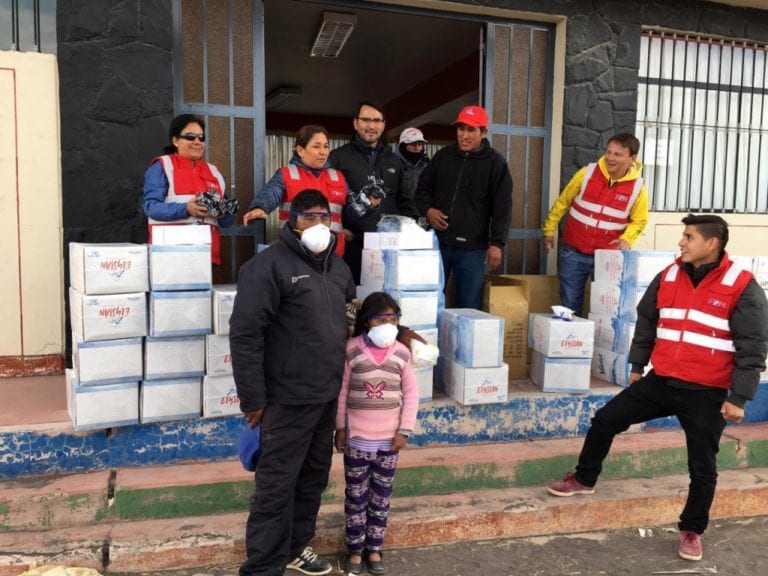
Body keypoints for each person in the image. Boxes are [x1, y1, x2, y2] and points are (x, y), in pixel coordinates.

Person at [547, 214, 768, 563]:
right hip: (662, 381)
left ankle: (692, 530)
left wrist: (739, 397)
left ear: (712, 244)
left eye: (689, 236)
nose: (681, 242)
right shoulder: (668, 274)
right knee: (605, 420)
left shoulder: (741, 285)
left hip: (706, 392)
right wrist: (638, 365)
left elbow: (753, 345)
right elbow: (647, 318)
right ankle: (584, 478)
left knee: (702, 466)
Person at [230, 189, 355, 576]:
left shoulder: (338, 269)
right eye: (308, 217)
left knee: (312, 480)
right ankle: (264, 567)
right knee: (276, 486)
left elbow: (350, 321)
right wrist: (253, 398)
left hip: (325, 396)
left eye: (324, 217)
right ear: (290, 219)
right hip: (285, 400)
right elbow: (246, 334)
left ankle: (296, 547)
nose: (318, 225)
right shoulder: (267, 267)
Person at [335, 292, 419, 576]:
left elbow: (412, 393)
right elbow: (342, 392)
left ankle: (375, 548)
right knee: (356, 497)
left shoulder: (402, 353)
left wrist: (404, 431)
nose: (387, 324)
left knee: (381, 497)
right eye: (380, 319)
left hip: (388, 443)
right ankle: (356, 550)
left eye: (393, 319)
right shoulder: (352, 350)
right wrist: (341, 429)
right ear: (366, 321)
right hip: (357, 440)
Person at [414, 105, 513, 310]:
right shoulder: (443, 157)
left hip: (473, 249)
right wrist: (428, 211)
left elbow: (503, 206)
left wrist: (497, 243)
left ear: (483, 132)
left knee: (468, 306)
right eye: (461, 129)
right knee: (428, 300)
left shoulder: (496, 164)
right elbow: (421, 191)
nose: (464, 135)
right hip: (439, 243)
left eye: (471, 130)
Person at [541, 133, 649, 316]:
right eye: (609, 152)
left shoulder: (638, 189)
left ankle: (597, 345)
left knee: (605, 311)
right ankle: (572, 342)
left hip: (607, 258)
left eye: (618, 154)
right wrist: (549, 230)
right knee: (569, 307)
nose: (610, 158)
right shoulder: (587, 173)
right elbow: (562, 202)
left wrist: (627, 238)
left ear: (632, 159)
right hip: (574, 252)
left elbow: (639, 221)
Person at [329, 101, 420, 284]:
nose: (371, 126)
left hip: (389, 248)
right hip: (353, 246)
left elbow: (406, 202)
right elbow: (328, 198)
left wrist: (409, 233)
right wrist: (337, 229)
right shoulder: (338, 158)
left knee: (386, 304)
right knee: (353, 304)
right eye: (366, 120)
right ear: (356, 123)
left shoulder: (394, 161)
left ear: (384, 125)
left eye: (377, 120)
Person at [241, 125, 349, 255]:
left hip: (332, 254)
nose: (323, 152)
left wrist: (369, 205)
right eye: (316, 146)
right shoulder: (287, 174)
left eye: (326, 146)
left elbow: (354, 207)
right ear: (300, 150)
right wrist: (260, 207)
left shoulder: (338, 177)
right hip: (294, 253)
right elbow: (271, 193)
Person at [143, 113, 234, 265]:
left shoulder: (214, 171)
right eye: (191, 137)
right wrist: (186, 209)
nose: (197, 142)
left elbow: (228, 220)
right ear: (175, 140)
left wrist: (223, 212)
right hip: (169, 256)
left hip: (207, 257)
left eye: (201, 137)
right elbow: (150, 207)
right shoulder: (162, 166)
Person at [394, 127, 429, 202]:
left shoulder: (426, 165)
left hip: (420, 210)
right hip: (397, 210)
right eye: (412, 144)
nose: (417, 148)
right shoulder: (391, 164)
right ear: (403, 145)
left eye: (420, 144)